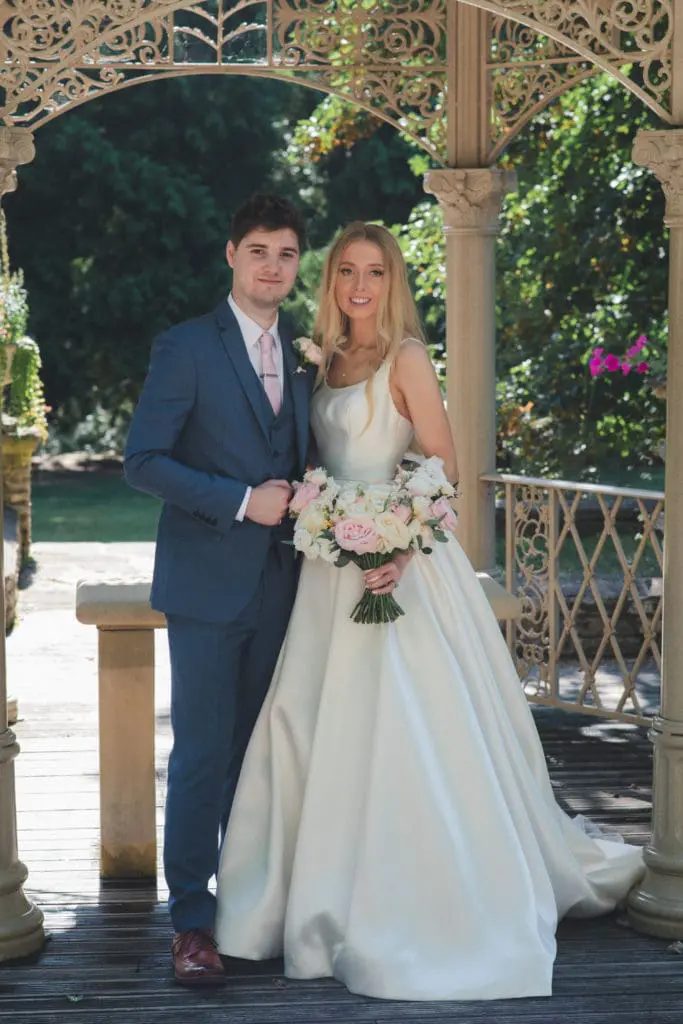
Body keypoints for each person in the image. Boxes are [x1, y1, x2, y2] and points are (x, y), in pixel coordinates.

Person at [212, 222, 645, 1001]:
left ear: (392, 279)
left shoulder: (408, 356)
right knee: (314, 723)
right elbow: (315, 459)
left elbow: (442, 462)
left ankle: (422, 896)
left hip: (402, 570)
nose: (359, 286)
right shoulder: (325, 358)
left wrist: (403, 542)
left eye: (374, 272)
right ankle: (302, 895)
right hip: (331, 570)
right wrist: (323, 513)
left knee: (411, 726)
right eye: (346, 270)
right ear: (331, 278)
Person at [124, 193, 314, 987]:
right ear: (231, 255)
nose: (273, 267)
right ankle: (192, 924)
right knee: (202, 756)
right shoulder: (187, 347)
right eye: (259, 251)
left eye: (287, 254)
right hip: (207, 586)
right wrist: (242, 501)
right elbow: (144, 461)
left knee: (262, 753)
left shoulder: (308, 356)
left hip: (289, 586)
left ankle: (253, 903)